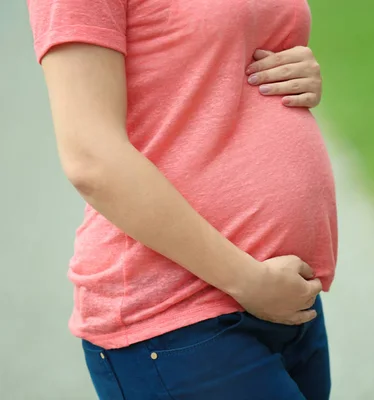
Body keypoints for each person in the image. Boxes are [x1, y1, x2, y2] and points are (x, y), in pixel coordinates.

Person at [27, 0, 337, 399]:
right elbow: (91, 157)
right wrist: (247, 281)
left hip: (285, 296)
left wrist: (300, 70)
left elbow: (215, 59)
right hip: (175, 316)